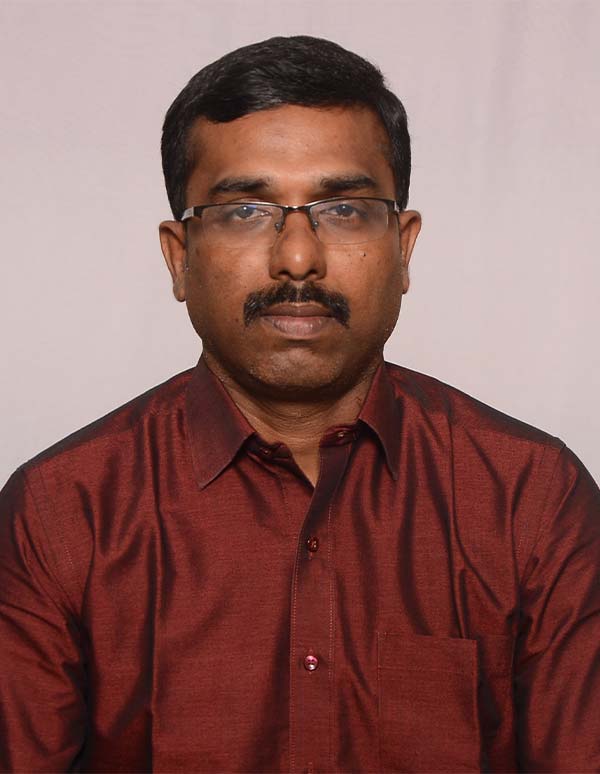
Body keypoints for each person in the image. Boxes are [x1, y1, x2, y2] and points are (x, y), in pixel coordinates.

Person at [0, 34, 599, 773]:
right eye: (246, 211)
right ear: (179, 258)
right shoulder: (63, 513)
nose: (297, 258)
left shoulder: (529, 498)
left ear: (404, 248)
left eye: (343, 209)